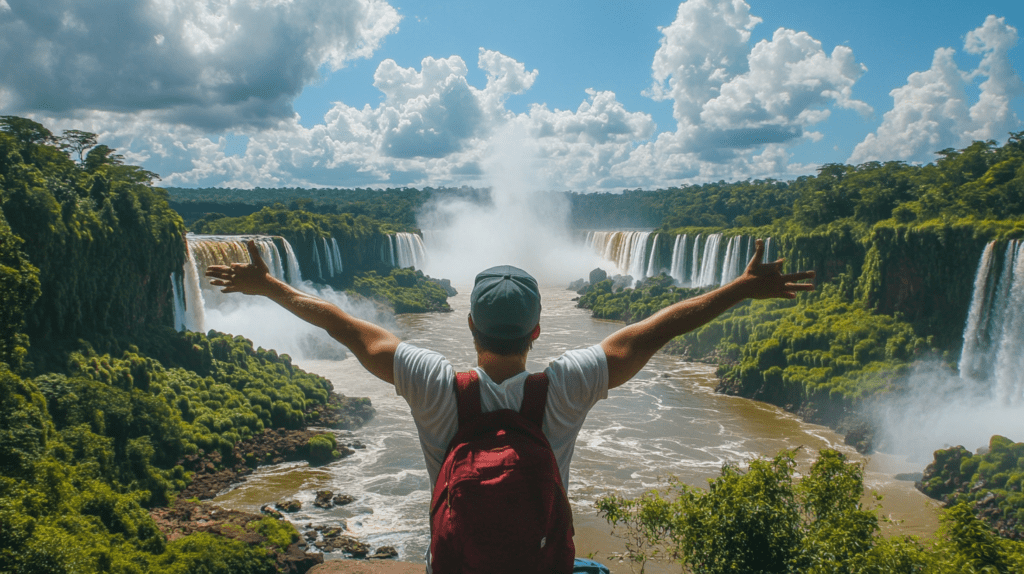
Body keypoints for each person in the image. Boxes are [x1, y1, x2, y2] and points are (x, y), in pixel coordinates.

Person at [205, 239, 814, 572]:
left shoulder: (429, 381)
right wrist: (742, 287)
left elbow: (346, 328)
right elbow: (654, 332)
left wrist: (270, 287)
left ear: (469, 325)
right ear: (537, 331)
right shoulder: (569, 386)